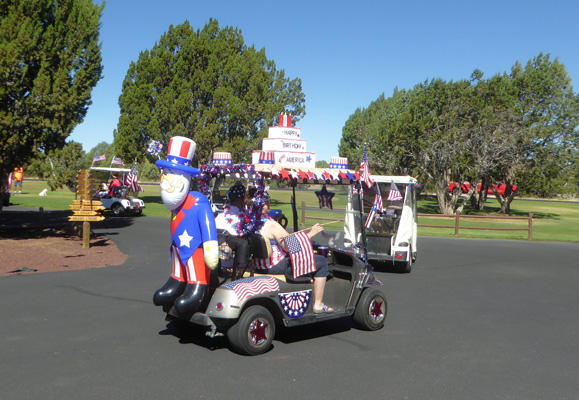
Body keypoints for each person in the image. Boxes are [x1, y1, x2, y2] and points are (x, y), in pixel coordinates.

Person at [152, 136, 219, 319]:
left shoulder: (198, 201)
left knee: (194, 266)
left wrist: (211, 248)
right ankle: (177, 282)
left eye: (169, 174)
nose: (164, 179)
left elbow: (208, 224)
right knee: (178, 263)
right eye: (164, 173)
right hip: (178, 248)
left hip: (195, 248)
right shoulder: (175, 206)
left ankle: (197, 288)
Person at [253, 220, 334, 314]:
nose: (268, 205)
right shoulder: (271, 225)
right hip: (275, 265)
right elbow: (291, 246)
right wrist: (311, 233)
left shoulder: (253, 222)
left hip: (259, 265)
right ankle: (318, 304)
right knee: (322, 262)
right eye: (267, 204)